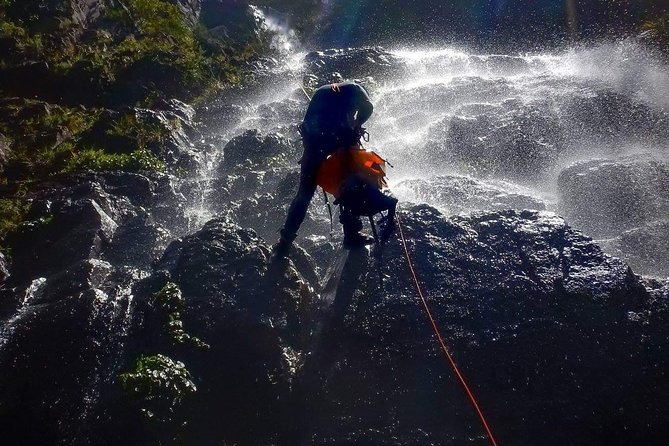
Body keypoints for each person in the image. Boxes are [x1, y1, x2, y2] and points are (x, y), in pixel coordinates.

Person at [273, 80, 379, 257]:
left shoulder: (324, 91)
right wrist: (357, 125)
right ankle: (351, 234)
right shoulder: (358, 90)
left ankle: (285, 243)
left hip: (313, 141)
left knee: (304, 194)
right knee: (350, 182)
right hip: (335, 136)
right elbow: (368, 108)